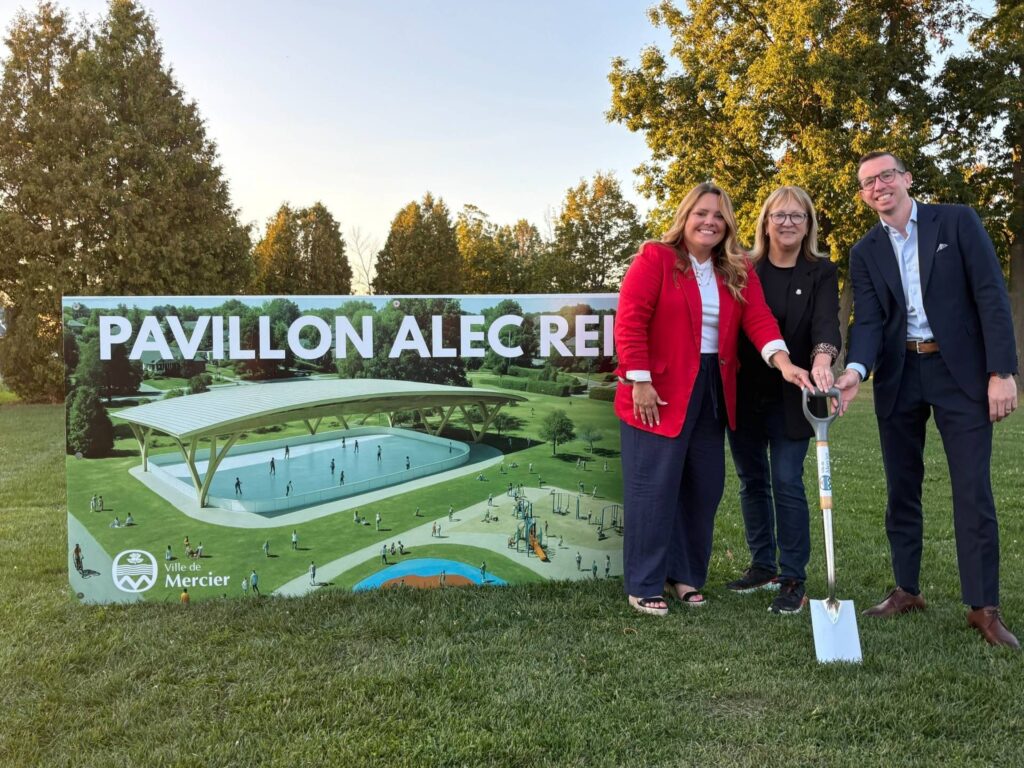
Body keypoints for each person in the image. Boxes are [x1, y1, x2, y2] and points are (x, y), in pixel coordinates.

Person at [834, 151, 1019, 648]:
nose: (879, 186)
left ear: (907, 179)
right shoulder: (865, 250)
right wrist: (854, 370)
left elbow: (990, 294)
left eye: (886, 175)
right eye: (868, 182)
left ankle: (983, 607)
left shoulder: (956, 221)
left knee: (972, 489)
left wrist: (1001, 372)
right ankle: (907, 589)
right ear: (864, 195)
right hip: (899, 375)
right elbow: (868, 321)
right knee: (901, 488)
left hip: (959, 372)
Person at [616, 182, 811, 617]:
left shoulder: (737, 268)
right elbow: (630, 320)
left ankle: (685, 575)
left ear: (729, 225)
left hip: (713, 389)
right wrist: (639, 380)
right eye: (702, 213)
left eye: (719, 215)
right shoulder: (656, 258)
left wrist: (783, 363)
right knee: (654, 488)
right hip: (657, 389)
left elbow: (759, 318)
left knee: (704, 487)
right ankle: (645, 583)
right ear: (685, 217)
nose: (710, 221)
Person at [725, 186, 841, 615]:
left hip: (799, 391)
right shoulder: (742, 267)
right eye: (780, 215)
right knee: (751, 480)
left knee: (787, 481)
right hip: (746, 388)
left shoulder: (821, 271)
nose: (788, 222)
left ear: (808, 224)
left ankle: (793, 577)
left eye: (798, 216)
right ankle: (762, 566)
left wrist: (823, 359)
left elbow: (828, 321)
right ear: (765, 221)